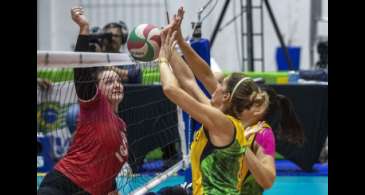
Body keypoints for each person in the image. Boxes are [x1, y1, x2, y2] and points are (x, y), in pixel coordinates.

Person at [155, 7, 304, 195]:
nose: (214, 86)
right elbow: (191, 80)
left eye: (220, 85)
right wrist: (175, 43)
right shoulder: (221, 115)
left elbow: (267, 180)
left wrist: (241, 147)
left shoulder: (259, 133)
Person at [38, 6, 127, 195]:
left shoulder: (121, 126)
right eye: (109, 82)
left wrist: (112, 189)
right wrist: (84, 28)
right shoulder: (94, 104)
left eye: (118, 80)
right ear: (98, 89)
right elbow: (82, 73)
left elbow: (106, 164)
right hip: (63, 185)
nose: (116, 84)